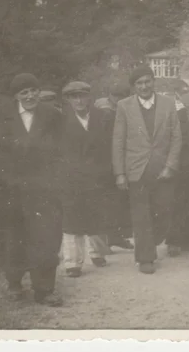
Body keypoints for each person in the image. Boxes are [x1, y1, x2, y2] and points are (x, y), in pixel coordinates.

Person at [0, 73, 63, 307]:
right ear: (16, 96)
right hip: (10, 189)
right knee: (12, 238)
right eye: (24, 92)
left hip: (43, 189)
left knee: (46, 238)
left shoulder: (53, 116)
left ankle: (45, 290)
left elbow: (62, 152)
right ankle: (14, 284)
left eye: (33, 90)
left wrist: (57, 183)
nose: (30, 96)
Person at [112, 65, 182, 274]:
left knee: (163, 209)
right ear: (134, 87)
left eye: (147, 81)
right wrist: (120, 173)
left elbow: (177, 137)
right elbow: (118, 140)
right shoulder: (124, 107)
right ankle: (145, 257)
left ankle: (156, 238)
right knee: (141, 214)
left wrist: (170, 165)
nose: (144, 86)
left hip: (162, 169)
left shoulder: (168, 104)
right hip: (136, 169)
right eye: (139, 83)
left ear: (153, 81)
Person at [59, 81, 114, 278]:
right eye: (74, 97)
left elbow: (108, 146)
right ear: (68, 100)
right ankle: (73, 262)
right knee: (72, 220)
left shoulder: (102, 117)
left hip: (96, 175)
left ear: (89, 97)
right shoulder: (61, 120)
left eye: (82, 96)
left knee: (97, 214)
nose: (79, 100)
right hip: (71, 177)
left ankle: (97, 253)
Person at [94, 81, 135, 251]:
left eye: (122, 96)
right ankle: (108, 240)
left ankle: (115, 237)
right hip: (107, 163)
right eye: (116, 96)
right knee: (110, 202)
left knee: (118, 202)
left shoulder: (116, 110)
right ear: (111, 97)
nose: (119, 100)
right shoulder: (106, 114)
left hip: (119, 161)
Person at [167, 93, 189, 253]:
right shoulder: (177, 117)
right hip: (180, 167)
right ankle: (173, 242)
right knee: (177, 204)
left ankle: (188, 240)